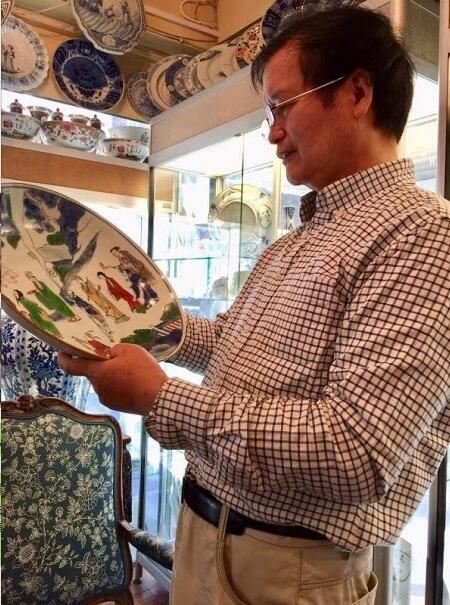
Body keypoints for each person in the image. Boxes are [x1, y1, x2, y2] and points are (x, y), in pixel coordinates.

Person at [58, 6, 450, 605]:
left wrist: (160, 397)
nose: (272, 132)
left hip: (286, 568)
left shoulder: (423, 233)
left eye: (283, 106)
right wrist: (134, 324)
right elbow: (231, 342)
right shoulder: (299, 238)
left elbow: (358, 450)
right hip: (208, 533)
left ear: (357, 92)